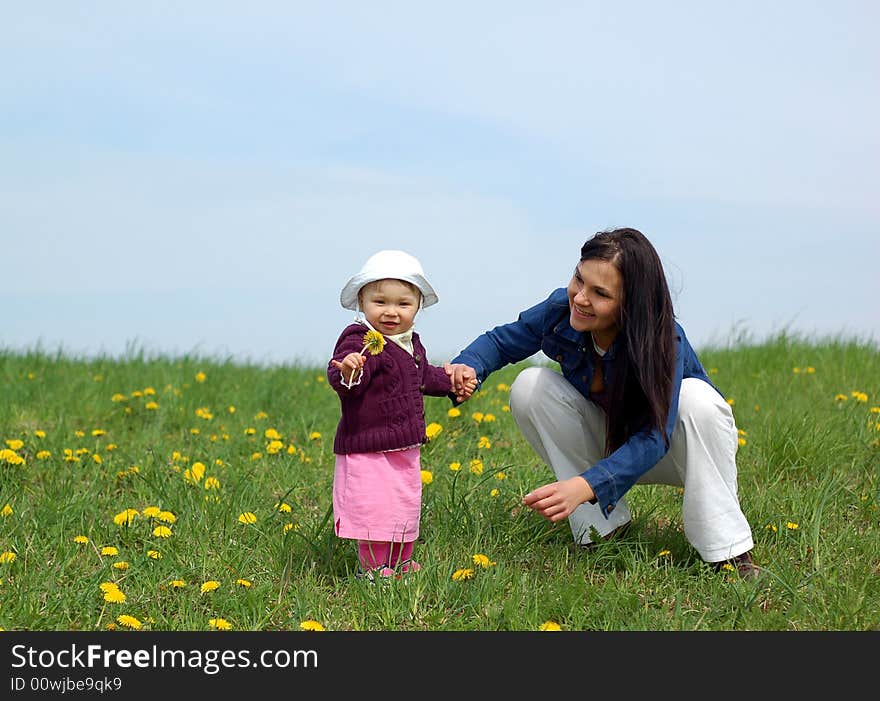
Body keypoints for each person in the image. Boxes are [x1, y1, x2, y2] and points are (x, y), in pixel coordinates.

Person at [446, 228, 759, 578]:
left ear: (630, 303)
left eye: (600, 293)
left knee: (696, 400)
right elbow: (502, 341)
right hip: (613, 442)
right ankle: (603, 532)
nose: (580, 298)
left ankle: (727, 553)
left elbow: (656, 435)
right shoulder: (560, 309)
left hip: (679, 450)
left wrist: (586, 485)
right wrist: (467, 366)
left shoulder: (662, 340)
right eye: (579, 279)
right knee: (530, 385)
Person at [328, 249, 476, 580]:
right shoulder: (360, 339)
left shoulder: (412, 343)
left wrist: (452, 384)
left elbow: (424, 377)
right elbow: (345, 376)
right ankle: (375, 566)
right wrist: (350, 370)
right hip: (367, 445)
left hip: (405, 445)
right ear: (362, 302)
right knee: (374, 507)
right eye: (380, 302)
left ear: (417, 307)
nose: (391, 312)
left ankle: (401, 560)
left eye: (403, 304)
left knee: (403, 505)